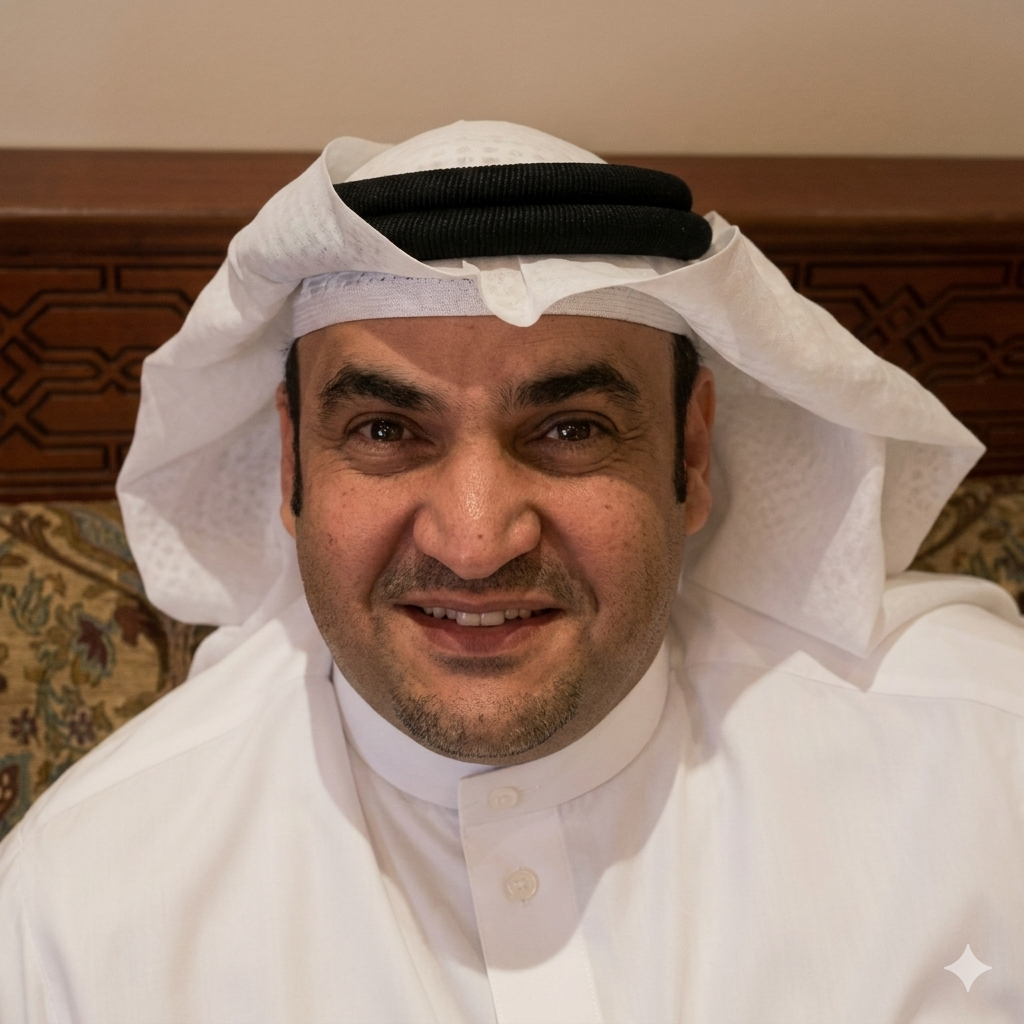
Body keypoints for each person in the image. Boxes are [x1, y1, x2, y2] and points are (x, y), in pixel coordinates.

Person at [0, 121, 1021, 1023]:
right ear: (291, 465)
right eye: (385, 430)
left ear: (690, 453)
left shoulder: (980, 772)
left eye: (571, 429)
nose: (476, 541)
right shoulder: (82, 909)